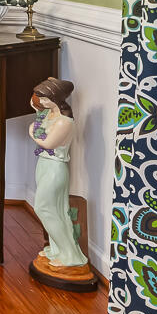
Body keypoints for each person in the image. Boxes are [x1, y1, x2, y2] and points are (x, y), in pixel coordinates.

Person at [28, 76, 96, 290]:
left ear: (55, 98)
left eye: (44, 98)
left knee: (44, 208)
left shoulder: (65, 122)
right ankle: (58, 250)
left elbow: (47, 142)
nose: (40, 101)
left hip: (56, 167)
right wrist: (38, 114)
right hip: (44, 164)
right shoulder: (48, 115)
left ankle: (70, 256)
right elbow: (39, 122)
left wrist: (31, 131)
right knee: (57, 210)